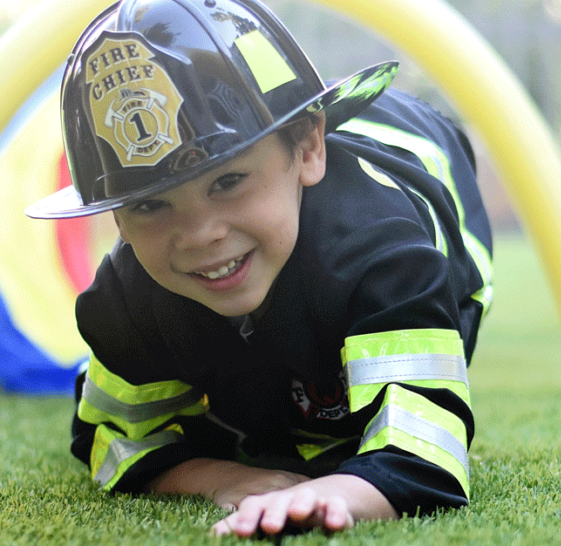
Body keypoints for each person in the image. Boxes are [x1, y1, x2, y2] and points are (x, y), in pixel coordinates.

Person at [26, 0, 493, 537]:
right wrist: (216, 475)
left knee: (348, 421)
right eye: (150, 204)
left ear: (309, 147)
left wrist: (330, 493)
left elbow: (425, 450)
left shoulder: (385, 253)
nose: (202, 235)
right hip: (291, 141)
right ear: (116, 219)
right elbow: (112, 438)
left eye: (227, 182)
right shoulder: (124, 298)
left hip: (419, 151)